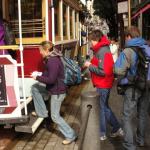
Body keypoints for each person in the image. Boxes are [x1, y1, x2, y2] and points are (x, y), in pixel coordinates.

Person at [31, 41, 77, 145]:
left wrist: (37, 77)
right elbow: (48, 74)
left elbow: (51, 79)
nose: (40, 53)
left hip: (57, 92)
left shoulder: (52, 61)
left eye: (41, 51)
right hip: (53, 88)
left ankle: (71, 135)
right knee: (35, 88)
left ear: (46, 50)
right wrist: (39, 73)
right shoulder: (51, 58)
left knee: (55, 117)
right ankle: (42, 112)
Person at [84, 29, 123, 141]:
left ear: (96, 40)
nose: (90, 43)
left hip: (103, 84)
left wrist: (89, 65)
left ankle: (102, 133)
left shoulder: (102, 51)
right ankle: (116, 127)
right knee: (104, 107)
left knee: (101, 108)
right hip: (103, 83)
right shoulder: (102, 50)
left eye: (91, 40)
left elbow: (104, 71)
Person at [114, 26, 149, 150]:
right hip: (147, 86)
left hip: (133, 87)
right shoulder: (147, 47)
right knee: (142, 114)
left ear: (128, 36)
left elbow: (118, 70)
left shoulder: (128, 51)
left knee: (127, 116)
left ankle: (129, 145)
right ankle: (140, 140)